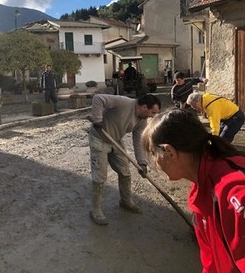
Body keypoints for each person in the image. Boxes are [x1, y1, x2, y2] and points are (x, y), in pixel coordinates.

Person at [141, 109, 245, 273]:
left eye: (154, 153)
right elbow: (210, 261)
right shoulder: (200, 190)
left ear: (169, 152)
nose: (155, 162)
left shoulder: (234, 191)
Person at [88, 93, 161, 225]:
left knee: (125, 172)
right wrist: (98, 120)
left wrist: (142, 162)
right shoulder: (123, 102)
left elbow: (138, 141)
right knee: (100, 176)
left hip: (115, 141)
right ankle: (96, 210)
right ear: (144, 107)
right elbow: (97, 98)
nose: (152, 116)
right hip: (99, 138)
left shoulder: (141, 121)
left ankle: (126, 201)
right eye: (152, 112)